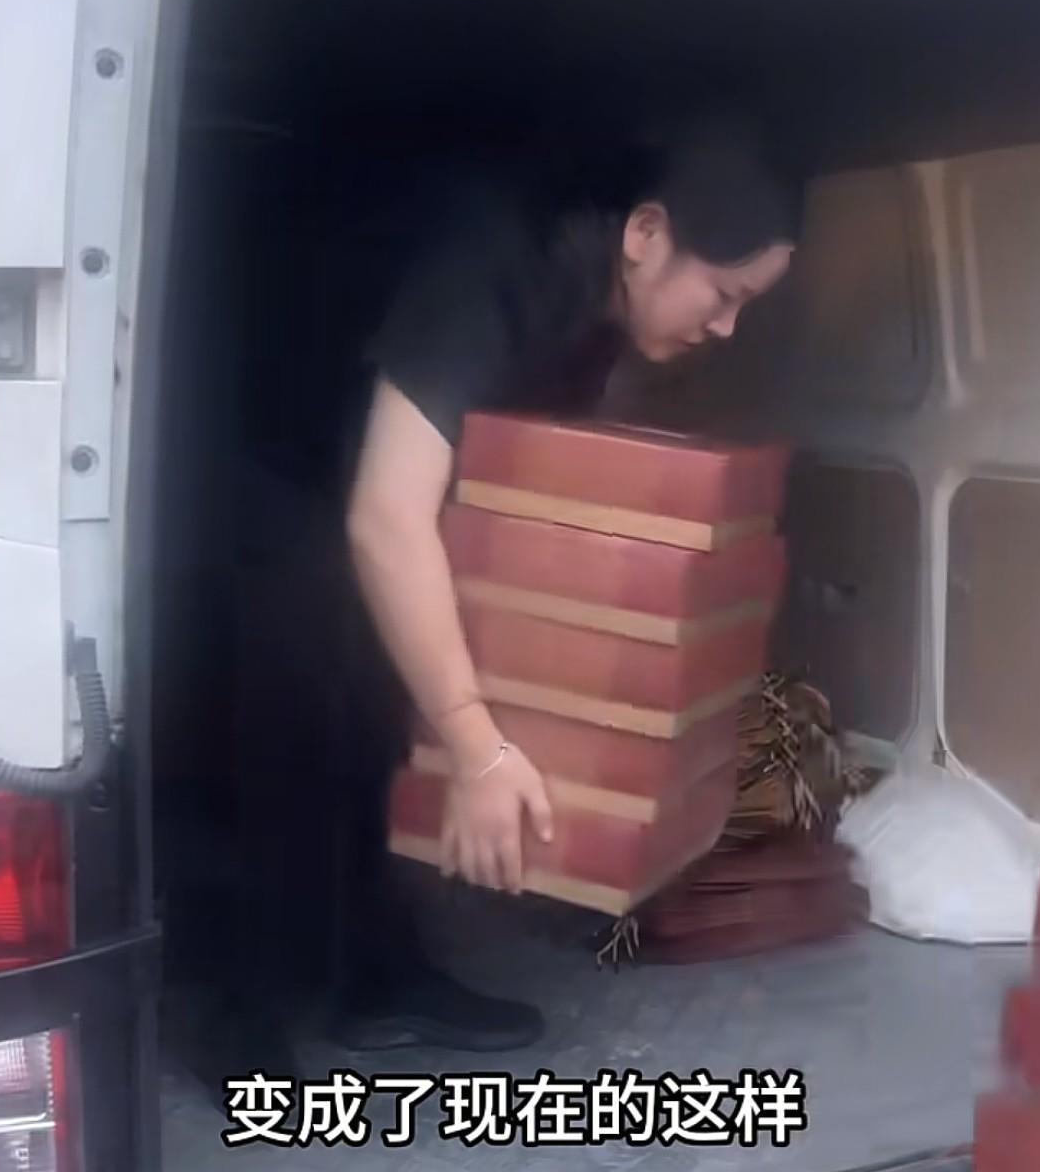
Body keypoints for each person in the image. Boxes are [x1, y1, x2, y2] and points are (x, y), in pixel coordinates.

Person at [196, 110, 799, 1093]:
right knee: (292, 700)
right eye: (725, 293)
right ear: (647, 233)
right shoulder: (492, 259)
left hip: (365, 459)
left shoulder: (598, 300)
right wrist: (478, 748)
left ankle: (370, 978)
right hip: (276, 442)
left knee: (382, 700)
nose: (727, 326)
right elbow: (386, 519)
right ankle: (231, 1004)